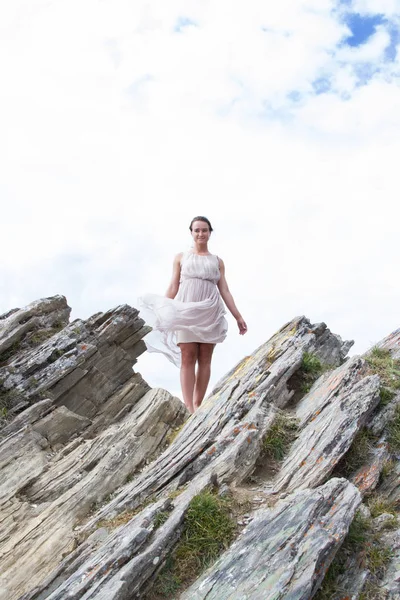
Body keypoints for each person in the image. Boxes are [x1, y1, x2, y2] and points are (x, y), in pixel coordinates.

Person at [138, 216, 247, 413]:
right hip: (185, 310)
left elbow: (225, 290)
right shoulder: (181, 257)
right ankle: (188, 406)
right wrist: (162, 310)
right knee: (188, 355)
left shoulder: (217, 261)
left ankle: (198, 404)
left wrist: (238, 316)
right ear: (191, 232)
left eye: (204, 230)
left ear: (210, 232)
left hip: (209, 311)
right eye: (197, 230)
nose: (200, 234)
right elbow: (173, 286)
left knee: (205, 357)